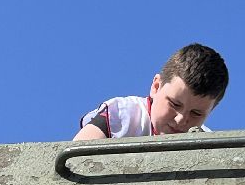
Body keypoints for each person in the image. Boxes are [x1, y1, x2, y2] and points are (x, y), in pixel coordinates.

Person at [73, 43, 229, 139]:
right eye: (174, 104)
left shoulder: (207, 144)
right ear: (156, 87)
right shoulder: (122, 116)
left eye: (196, 113)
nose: (181, 119)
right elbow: (75, 158)